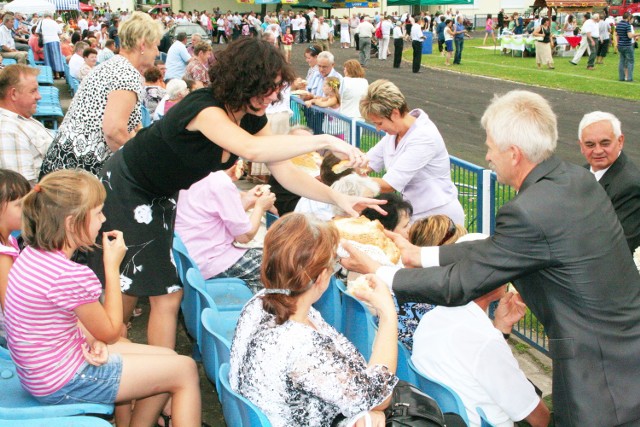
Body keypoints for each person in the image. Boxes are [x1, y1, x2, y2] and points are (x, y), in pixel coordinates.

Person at [343, 90, 640, 427]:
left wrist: (383, 272)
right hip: (620, 347)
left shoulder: (529, 211)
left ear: (513, 154)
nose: (487, 156)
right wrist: (417, 255)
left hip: (599, 370)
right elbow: (498, 247)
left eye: (489, 147)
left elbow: (458, 285)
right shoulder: (574, 179)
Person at [86, 38, 380, 352]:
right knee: (153, 289)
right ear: (244, 81)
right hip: (129, 186)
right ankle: (127, 358)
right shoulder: (205, 108)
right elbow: (251, 148)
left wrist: (337, 197)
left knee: (146, 285)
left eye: (277, 88)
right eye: (267, 87)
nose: (273, 96)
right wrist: (326, 141)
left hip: (159, 193)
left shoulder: (252, 116)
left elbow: (285, 171)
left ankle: (128, 355)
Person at [3, 170, 202, 427]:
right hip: (64, 381)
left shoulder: (30, 255)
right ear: (72, 222)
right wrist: (112, 266)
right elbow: (111, 332)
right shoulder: (69, 275)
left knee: (166, 357)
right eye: (98, 212)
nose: (104, 219)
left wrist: (91, 338)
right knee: (184, 369)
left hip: (42, 374)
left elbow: (50, 321)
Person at [229, 213, 398, 427]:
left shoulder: (258, 302)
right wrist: (388, 315)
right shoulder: (301, 344)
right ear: (321, 278)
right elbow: (378, 399)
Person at [39, 12, 163, 178]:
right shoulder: (126, 74)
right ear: (142, 45)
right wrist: (145, 166)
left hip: (64, 163)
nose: (157, 52)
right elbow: (114, 132)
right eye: (155, 45)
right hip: (81, 170)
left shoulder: (111, 66)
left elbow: (129, 124)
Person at [413, 278, 551, 427]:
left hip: (442, 419)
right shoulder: (484, 339)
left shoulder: (432, 317)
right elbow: (538, 418)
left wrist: (501, 327)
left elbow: (481, 359)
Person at [360, 80, 465, 224]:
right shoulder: (393, 134)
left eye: (379, 123)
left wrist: (351, 182)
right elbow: (366, 162)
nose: (378, 129)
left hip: (439, 217)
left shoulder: (423, 137)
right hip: (414, 213)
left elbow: (389, 184)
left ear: (395, 113)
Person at [176, 170, 275, 293]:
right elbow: (244, 236)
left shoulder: (189, 174)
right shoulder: (219, 181)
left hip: (189, 257)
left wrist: (249, 200)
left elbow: (221, 213)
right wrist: (260, 207)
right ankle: (259, 308)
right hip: (210, 260)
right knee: (276, 266)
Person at [578, 111, 640, 253]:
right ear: (581, 146)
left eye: (605, 143)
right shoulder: (582, 173)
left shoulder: (630, 186)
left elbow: (619, 247)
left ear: (620, 141)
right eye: (590, 144)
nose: (598, 151)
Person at [0, 65, 54, 184]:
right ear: (13, 94)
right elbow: (22, 190)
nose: (38, 96)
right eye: (33, 91)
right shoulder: (9, 131)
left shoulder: (22, 119)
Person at [0, 169, 30, 348]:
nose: (28, 209)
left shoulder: (9, 239)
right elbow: (11, 307)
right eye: (20, 205)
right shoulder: (2, 256)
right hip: (11, 335)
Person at [616, 12, 639, 82]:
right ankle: (629, 78)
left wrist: (617, 43)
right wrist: (637, 34)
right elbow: (629, 36)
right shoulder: (627, 25)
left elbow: (617, 35)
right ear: (628, 18)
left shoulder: (619, 24)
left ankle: (621, 77)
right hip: (627, 45)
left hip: (620, 45)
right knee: (630, 61)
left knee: (621, 61)